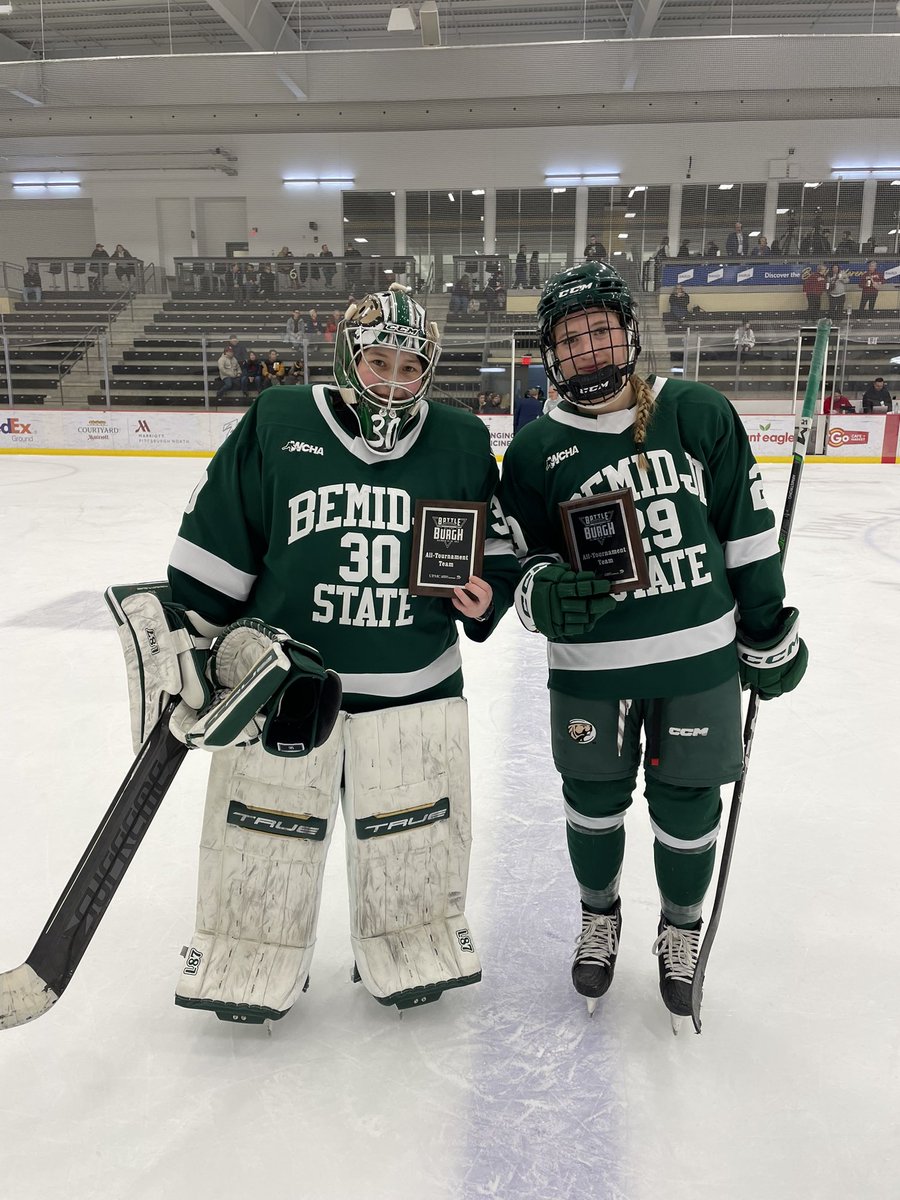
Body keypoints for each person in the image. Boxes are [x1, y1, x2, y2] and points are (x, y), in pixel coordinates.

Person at [116, 283, 518, 1025]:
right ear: (347, 357)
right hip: (287, 685)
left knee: (414, 835)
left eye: (409, 369)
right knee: (264, 830)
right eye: (379, 364)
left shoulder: (460, 439)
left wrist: (486, 594)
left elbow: (495, 553)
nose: (393, 385)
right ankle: (250, 949)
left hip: (414, 690)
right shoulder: (278, 421)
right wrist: (199, 640)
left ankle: (413, 939)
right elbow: (217, 552)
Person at [497, 262, 807, 1024]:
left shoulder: (696, 412)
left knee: (688, 804)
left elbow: (747, 534)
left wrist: (766, 629)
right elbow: (513, 557)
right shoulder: (536, 449)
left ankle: (680, 927)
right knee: (593, 802)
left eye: (600, 328)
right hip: (591, 670)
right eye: (570, 337)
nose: (589, 347)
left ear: (629, 332)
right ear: (549, 353)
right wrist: (539, 590)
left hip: (697, 660)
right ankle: (600, 914)